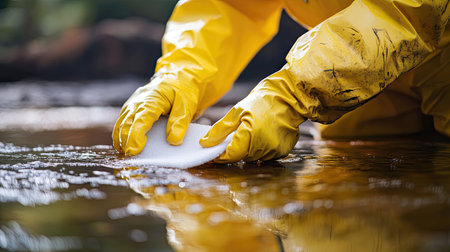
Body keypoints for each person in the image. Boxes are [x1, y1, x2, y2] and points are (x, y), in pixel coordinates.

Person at [113, 0, 450, 162]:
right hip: (356, 74)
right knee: (337, 215)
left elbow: (409, 9)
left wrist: (294, 93)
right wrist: (182, 73)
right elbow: (231, 6)